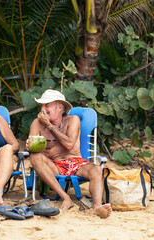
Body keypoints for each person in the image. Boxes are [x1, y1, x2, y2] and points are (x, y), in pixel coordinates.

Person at [26, 89, 112, 219]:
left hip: (75, 162)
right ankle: (66, 198)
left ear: (60, 107)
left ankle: (97, 206)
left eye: (47, 105)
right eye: (42, 105)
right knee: (35, 156)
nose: (43, 109)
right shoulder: (37, 123)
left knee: (96, 170)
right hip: (52, 166)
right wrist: (29, 147)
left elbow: (69, 144)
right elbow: (32, 147)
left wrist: (49, 126)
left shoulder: (73, 120)